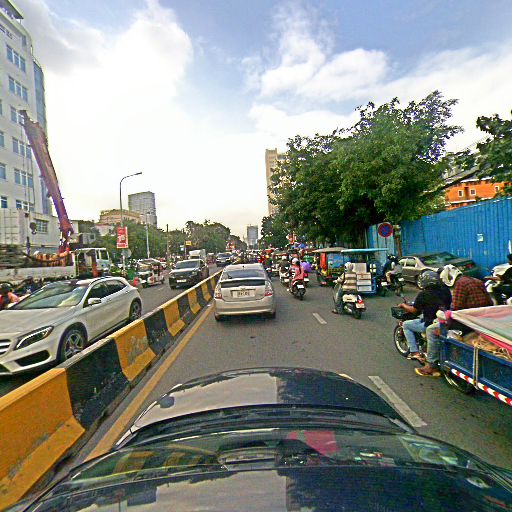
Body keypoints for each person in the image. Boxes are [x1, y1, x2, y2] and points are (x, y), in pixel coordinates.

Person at [415, 265, 492, 377]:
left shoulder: (460, 284)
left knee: (431, 330)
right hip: (481, 320)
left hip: (466, 322)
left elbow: (456, 309)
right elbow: (490, 302)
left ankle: (431, 366)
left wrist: (445, 327)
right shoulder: (477, 281)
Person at [398, 271, 451, 363]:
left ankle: (414, 352)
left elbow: (414, 310)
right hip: (444, 321)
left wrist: (403, 305)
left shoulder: (423, 294)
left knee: (406, 325)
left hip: (429, 323)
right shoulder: (446, 291)